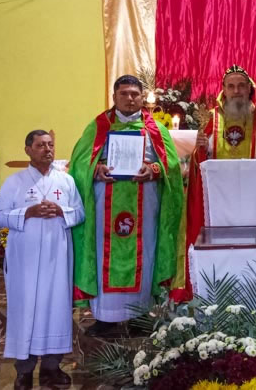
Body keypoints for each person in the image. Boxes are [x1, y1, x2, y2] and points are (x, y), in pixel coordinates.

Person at [69, 75, 184, 337]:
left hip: (145, 202)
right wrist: (95, 169)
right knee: (104, 253)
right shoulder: (99, 125)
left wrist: (154, 169)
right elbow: (79, 162)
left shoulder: (156, 128)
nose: (130, 99)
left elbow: (173, 166)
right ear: (114, 97)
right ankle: (105, 317)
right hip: (105, 204)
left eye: (134, 94)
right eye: (124, 94)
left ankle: (139, 315)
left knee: (145, 252)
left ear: (142, 97)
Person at [172, 64, 256, 302]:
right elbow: (199, 161)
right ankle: (215, 293)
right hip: (220, 200)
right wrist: (201, 150)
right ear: (224, 90)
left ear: (249, 89)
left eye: (241, 86)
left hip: (254, 198)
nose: (236, 91)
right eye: (231, 86)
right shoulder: (212, 118)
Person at [0, 130, 84, 389]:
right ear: (28, 150)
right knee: (26, 310)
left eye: (50, 144)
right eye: (41, 145)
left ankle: (51, 368)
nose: (47, 149)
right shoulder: (15, 182)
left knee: (57, 308)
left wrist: (61, 210)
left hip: (58, 257)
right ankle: (24, 371)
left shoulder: (66, 181)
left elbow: (80, 213)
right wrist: (28, 212)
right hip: (25, 259)